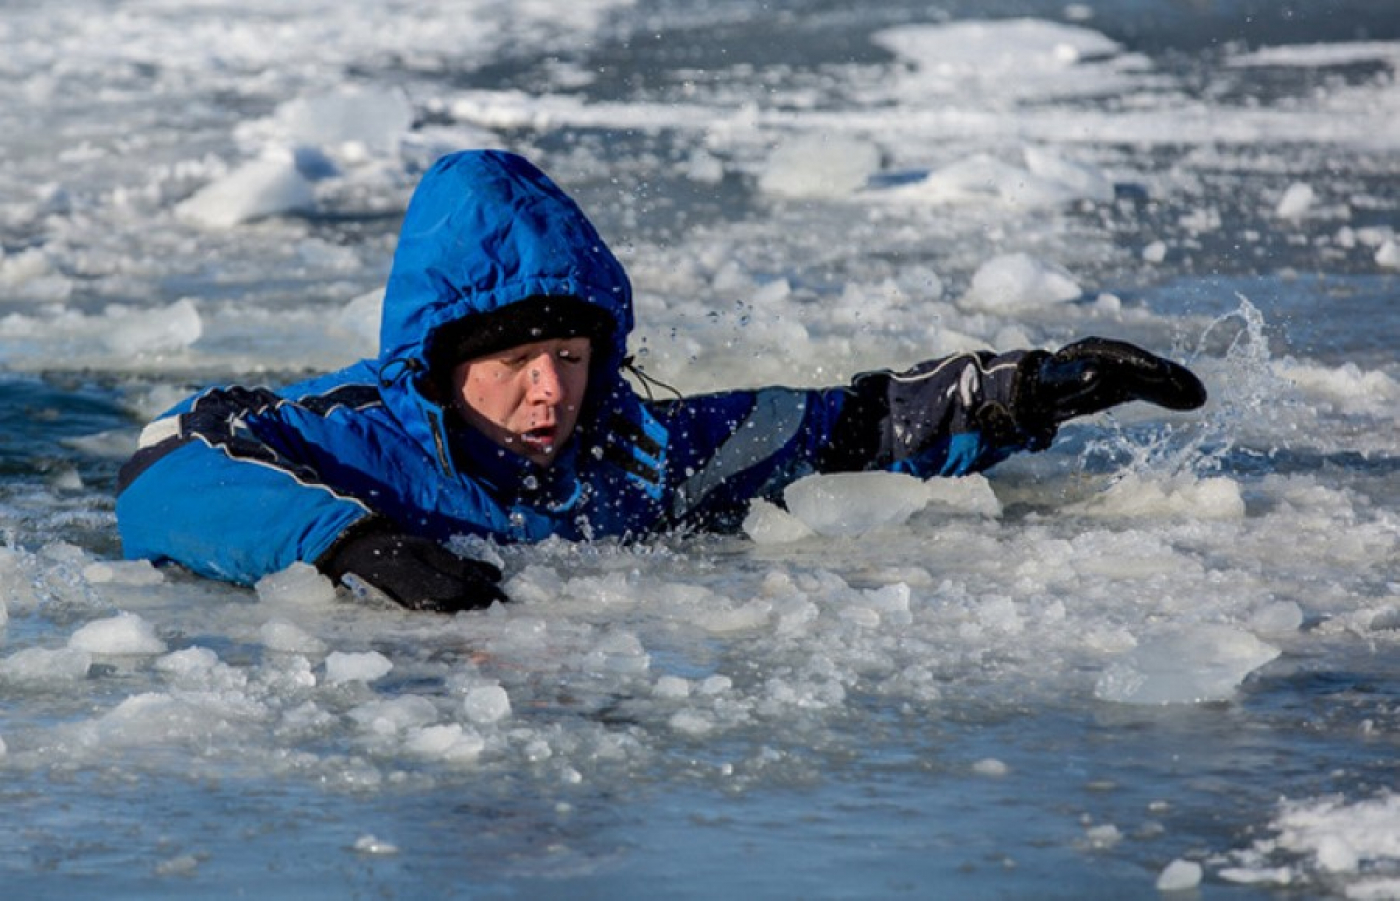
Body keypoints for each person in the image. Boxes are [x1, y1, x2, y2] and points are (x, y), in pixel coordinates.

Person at [116, 150, 1207, 612]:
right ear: (442, 365)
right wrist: (353, 545)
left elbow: (846, 428)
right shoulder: (353, 435)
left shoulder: (636, 447)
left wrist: (1020, 389)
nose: (550, 393)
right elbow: (164, 464)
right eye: (512, 365)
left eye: (573, 360)